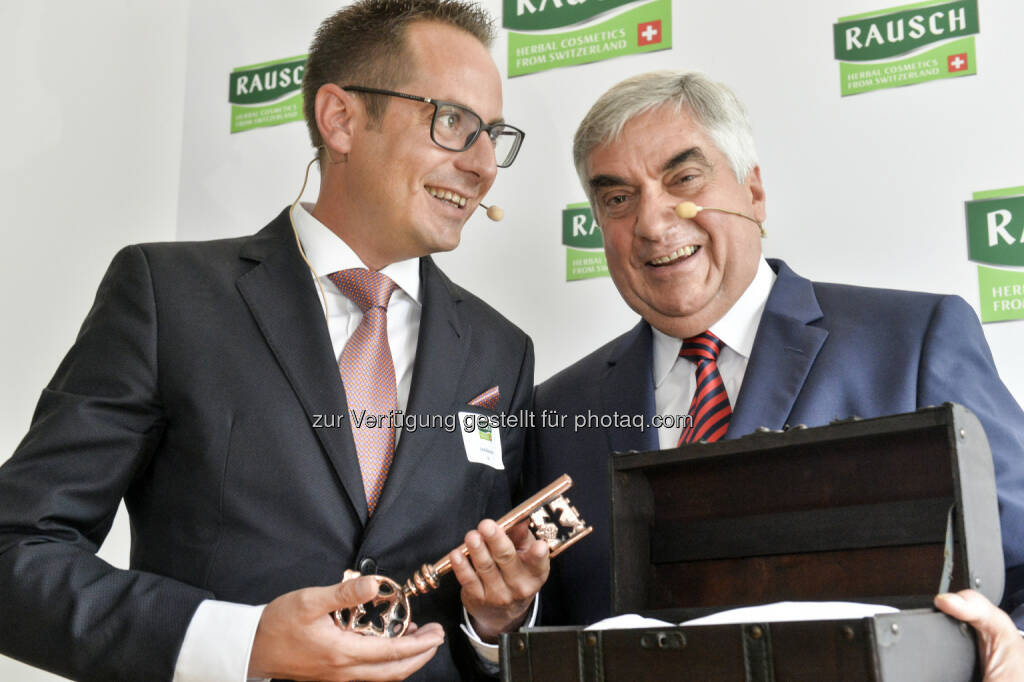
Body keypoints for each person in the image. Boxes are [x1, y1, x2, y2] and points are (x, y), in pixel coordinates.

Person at [0, 1, 548, 680]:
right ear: (341, 119)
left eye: (493, 133)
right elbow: (16, 554)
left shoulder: (502, 351)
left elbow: (488, 614)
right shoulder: (167, 295)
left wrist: (495, 622)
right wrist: (243, 641)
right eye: (454, 123)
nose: (485, 165)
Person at [526, 70, 1024, 634]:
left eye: (684, 178)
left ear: (754, 193)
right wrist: (501, 623)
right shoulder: (557, 412)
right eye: (618, 198)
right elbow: (549, 624)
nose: (651, 221)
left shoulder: (914, 342)